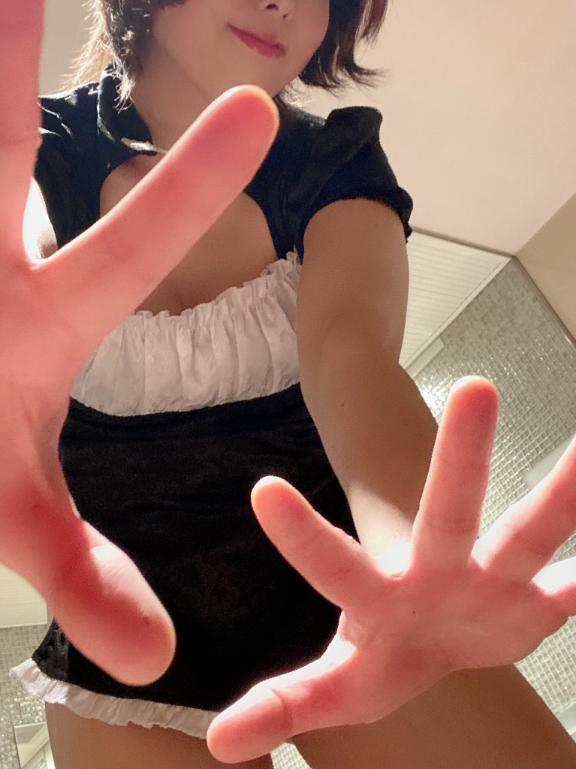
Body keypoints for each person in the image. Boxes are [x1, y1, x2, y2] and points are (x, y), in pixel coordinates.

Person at [3, 0, 576, 767]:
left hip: (352, 596)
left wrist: (407, 561)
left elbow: (353, 360)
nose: (287, 4)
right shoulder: (30, 154)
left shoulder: (336, 162)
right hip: (119, 628)